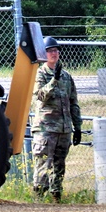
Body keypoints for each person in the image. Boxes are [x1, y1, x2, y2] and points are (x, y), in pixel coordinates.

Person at [31, 36, 82, 202]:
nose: (54, 53)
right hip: (46, 129)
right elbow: (40, 97)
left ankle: (56, 198)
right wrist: (54, 80)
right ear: (44, 54)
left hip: (63, 129)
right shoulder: (40, 74)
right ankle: (38, 199)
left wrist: (77, 126)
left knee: (59, 166)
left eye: (56, 50)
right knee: (43, 165)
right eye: (50, 51)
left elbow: (73, 102)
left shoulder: (66, 77)